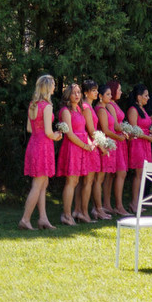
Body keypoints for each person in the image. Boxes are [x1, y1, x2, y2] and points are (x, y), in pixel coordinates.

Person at [19, 74, 63, 231]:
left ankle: (43, 219)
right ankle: (25, 219)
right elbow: (49, 132)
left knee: (43, 183)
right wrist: (57, 135)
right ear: (48, 87)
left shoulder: (33, 104)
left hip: (33, 144)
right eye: (53, 84)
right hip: (43, 147)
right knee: (38, 184)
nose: (55, 87)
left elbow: (29, 128)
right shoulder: (47, 106)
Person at [56, 83, 96, 226]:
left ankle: (75, 213)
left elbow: (83, 131)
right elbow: (70, 134)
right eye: (74, 93)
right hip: (73, 148)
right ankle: (66, 215)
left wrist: (90, 144)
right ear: (68, 95)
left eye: (79, 92)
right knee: (71, 181)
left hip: (81, 148)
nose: (77, 95)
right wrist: (85, 146)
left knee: (76, 181)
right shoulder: (66, 111)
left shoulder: (79, 109)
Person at [97, 82, 130, 217]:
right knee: (118, 173)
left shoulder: (112, 104)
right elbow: (115, 125)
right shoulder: (108, 105)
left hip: (118, 140)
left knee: (111, 174)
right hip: (115, 139)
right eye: (119, 90)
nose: (120, 92)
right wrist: (128, 130)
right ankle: (116, 205)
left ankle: (108, 205)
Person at [79, 80, 107, 220]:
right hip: (90, 146)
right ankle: (84, 212)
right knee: (88, 181)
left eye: (96, 90)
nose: (96, 93)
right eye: (93, 90)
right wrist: (101, 146)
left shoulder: (89, 106)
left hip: (93, 145)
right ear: (86, 93)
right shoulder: (86, 107)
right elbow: (91, 130)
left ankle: (85, 211)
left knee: (89, 181)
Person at [125, 84, 152, 211]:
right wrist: (148, 137)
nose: (148, 98)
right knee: (138, 173)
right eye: (146, 95)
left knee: (142, 173)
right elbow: (134, 130)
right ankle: (134, 203)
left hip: (145, 143)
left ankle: (138, 201)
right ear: (138, 97)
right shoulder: (133, 110)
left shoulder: (142, 109)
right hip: (138, 144)